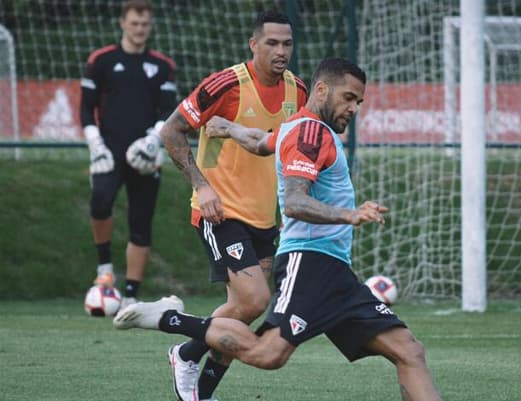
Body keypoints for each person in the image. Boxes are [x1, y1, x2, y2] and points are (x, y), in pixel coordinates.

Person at [114, 58, 442, 401]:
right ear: (321, 89)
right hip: (310, 262)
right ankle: (170, 319)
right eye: (347, 98)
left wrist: (229, 129)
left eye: (358, 102)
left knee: (409, 351)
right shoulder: (310, 132)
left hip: (337, 274)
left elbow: (260, 141)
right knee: (268, 354)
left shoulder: (299, 126)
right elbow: (295, 202)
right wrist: (350, 215)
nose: (353, 108)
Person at [130, 10, 307, 401]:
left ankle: (196, 377)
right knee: (255, 299)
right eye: (272, 43)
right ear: (254, 44)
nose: (281, 51)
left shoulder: (299, 91)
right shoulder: (226, 84)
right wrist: (202, 186)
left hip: (265, 216)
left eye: (287, 44)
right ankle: (182, 343)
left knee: (244, 311)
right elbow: (171, 130)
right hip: (220, 210)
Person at [79, 0, 177, 307]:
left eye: (145, 24)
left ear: (150, 26)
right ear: (123, 23)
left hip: (145, 155)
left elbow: (169, 112)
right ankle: (104, 271)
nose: (139, 29)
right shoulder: (102, 60)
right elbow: (85, 108)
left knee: (141, 221)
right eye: (134, 23)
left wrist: (153, 141)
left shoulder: (163, 65)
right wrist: (95, 143)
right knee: (101, 201)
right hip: (109, 150)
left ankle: (131, 295)